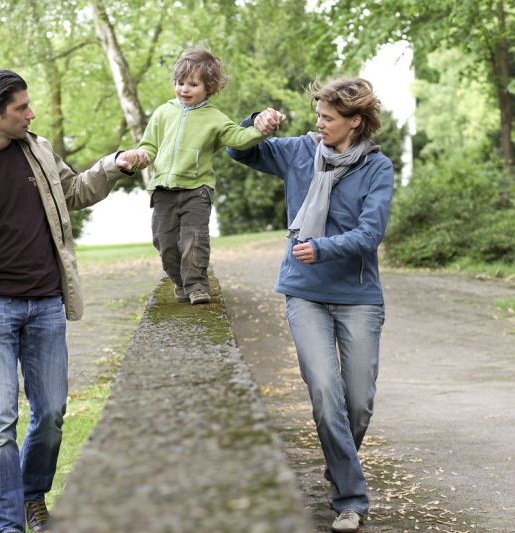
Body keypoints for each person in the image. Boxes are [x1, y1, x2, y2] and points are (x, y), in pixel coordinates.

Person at [0, 69, 146, 533]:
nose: (31, 114)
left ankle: (32, 494)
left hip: (46, 304)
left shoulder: (40, 151)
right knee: (0, 421)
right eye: (21, 108)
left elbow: (74, 192)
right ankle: (5, 523)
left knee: (50, 414)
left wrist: (116, 166)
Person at [227, 77, 394, 532]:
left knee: (358, 403)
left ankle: (340, 463)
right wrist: (255, 126)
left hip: (358, 297)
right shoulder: (301, 150)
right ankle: (351, 498)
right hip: (305, 292)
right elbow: (238, 152)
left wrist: (322, 247)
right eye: (318, 115)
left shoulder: (377, 169)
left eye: (328, 118)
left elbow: (370, 234)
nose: (318, 124)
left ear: (355, 122)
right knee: (325, 392)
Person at [136, 47, 268, 305]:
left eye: (192, 84)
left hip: (197, 190)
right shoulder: (163, 113)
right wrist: (140, 156)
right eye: (180, 82)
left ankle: (197, 285)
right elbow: (149, 146)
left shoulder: (215, 118)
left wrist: (261, 130)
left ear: (209, 87)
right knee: (165, 243)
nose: (184, 89)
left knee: (194, 240)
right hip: (163, 189)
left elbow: (239, 138)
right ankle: (180, 282)